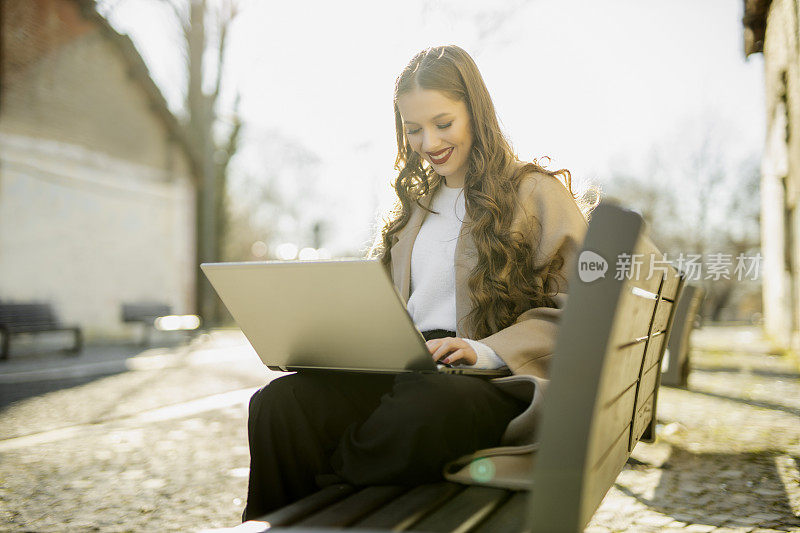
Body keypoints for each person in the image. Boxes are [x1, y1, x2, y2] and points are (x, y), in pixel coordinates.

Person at [242, 44, 592, 521]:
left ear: (477, 112)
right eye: (413, 130)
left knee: (428, 406)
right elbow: (380, 309)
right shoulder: (412, 209)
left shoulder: (535, 193)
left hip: (487, 381)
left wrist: (483, 351)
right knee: (280, 405)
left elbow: (577, 310)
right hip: (408, 371)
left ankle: (321, 495)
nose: (428, 142)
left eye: (443, 123)